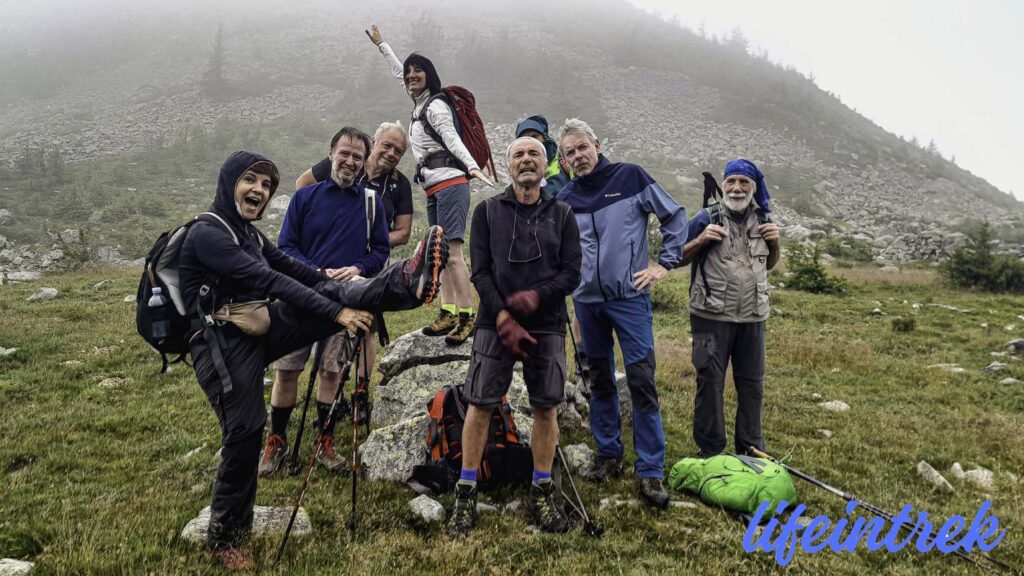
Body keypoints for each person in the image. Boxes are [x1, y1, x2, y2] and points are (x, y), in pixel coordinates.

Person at [179, 150, 448, 569]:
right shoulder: (208, 233)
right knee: (246, 433)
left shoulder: (248, 234)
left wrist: (338, 286)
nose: (259, 190)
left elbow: (294, 269)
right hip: (220, 346)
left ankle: (404, 284)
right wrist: (336, 312)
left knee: (322, 291)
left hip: (255, 327)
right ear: (228, 181)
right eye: (251, 180)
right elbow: (271, 280)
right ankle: (226, 539)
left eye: (267, 185)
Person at [446, 137, 581, 538]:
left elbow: (572, 272)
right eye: (518, 155)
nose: (526, 160)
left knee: (546, 406)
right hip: (494, 322)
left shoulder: (564, 214)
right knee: (481, 403)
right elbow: (480, 272)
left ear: (546, 166)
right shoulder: (487, 212)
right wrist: (503, 315)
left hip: (548, 323)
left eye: (534, 154)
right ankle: (466, 489)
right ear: (508, 167)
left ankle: (542, 487)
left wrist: (537, 296)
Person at [556, 118, 687, 509]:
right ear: (563, 161)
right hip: (586, 303)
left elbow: (675, 215)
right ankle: (609, 455)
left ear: (596, 144)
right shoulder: (565, 198)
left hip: (629, 298)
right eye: (570, 153)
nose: (578, 157)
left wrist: (664, 264)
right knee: (598, 380)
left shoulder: (629, 177)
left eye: (582, 147)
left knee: (641, 380)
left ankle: (650, 471)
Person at [260, 127, 390, 477]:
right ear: (331, 153)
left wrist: (357, 268)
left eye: (357, 157)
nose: (350, 160)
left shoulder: (371, 202)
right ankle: (276, 440)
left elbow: (380, 252)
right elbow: (285, 247)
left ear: (364, 163)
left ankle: (324, 441)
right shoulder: (305, 198)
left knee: (332, 372)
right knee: (287, 370)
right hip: (300, 296)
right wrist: (316, 272)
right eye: (344, 153)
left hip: (344, 301)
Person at [366, 23, 495, 345]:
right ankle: (448, 312)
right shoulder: (418, 103)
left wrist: (471, 168)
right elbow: (399, 73)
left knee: (451, 253)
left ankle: (467, 316)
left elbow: (451, 138)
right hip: (434, 187)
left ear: (429, 75)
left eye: (418, 71)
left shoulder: (435, 105)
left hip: (451, 182)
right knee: (440, 254)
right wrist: (383, 46)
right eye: (410, 72)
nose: (411, 76)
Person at [680, 159, 780, 458]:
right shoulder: (705, 217)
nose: (736, 188)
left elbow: (769, 264)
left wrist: (775, 245)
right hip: (710, 316)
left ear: (753, 187)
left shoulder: (764, 218)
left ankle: (751, 450)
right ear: (723, 186)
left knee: (752, 386)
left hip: (753, 317)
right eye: (731, 182)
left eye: (743, 182)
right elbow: (676, 257)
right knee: (709, 384)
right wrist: (700, 238)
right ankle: (710, 451)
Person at [514, 114, 572, 198]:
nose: (532, 141)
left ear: (544, 137)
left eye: (535, 136)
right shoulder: (520, 167)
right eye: (525, 139)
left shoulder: (565, 157)